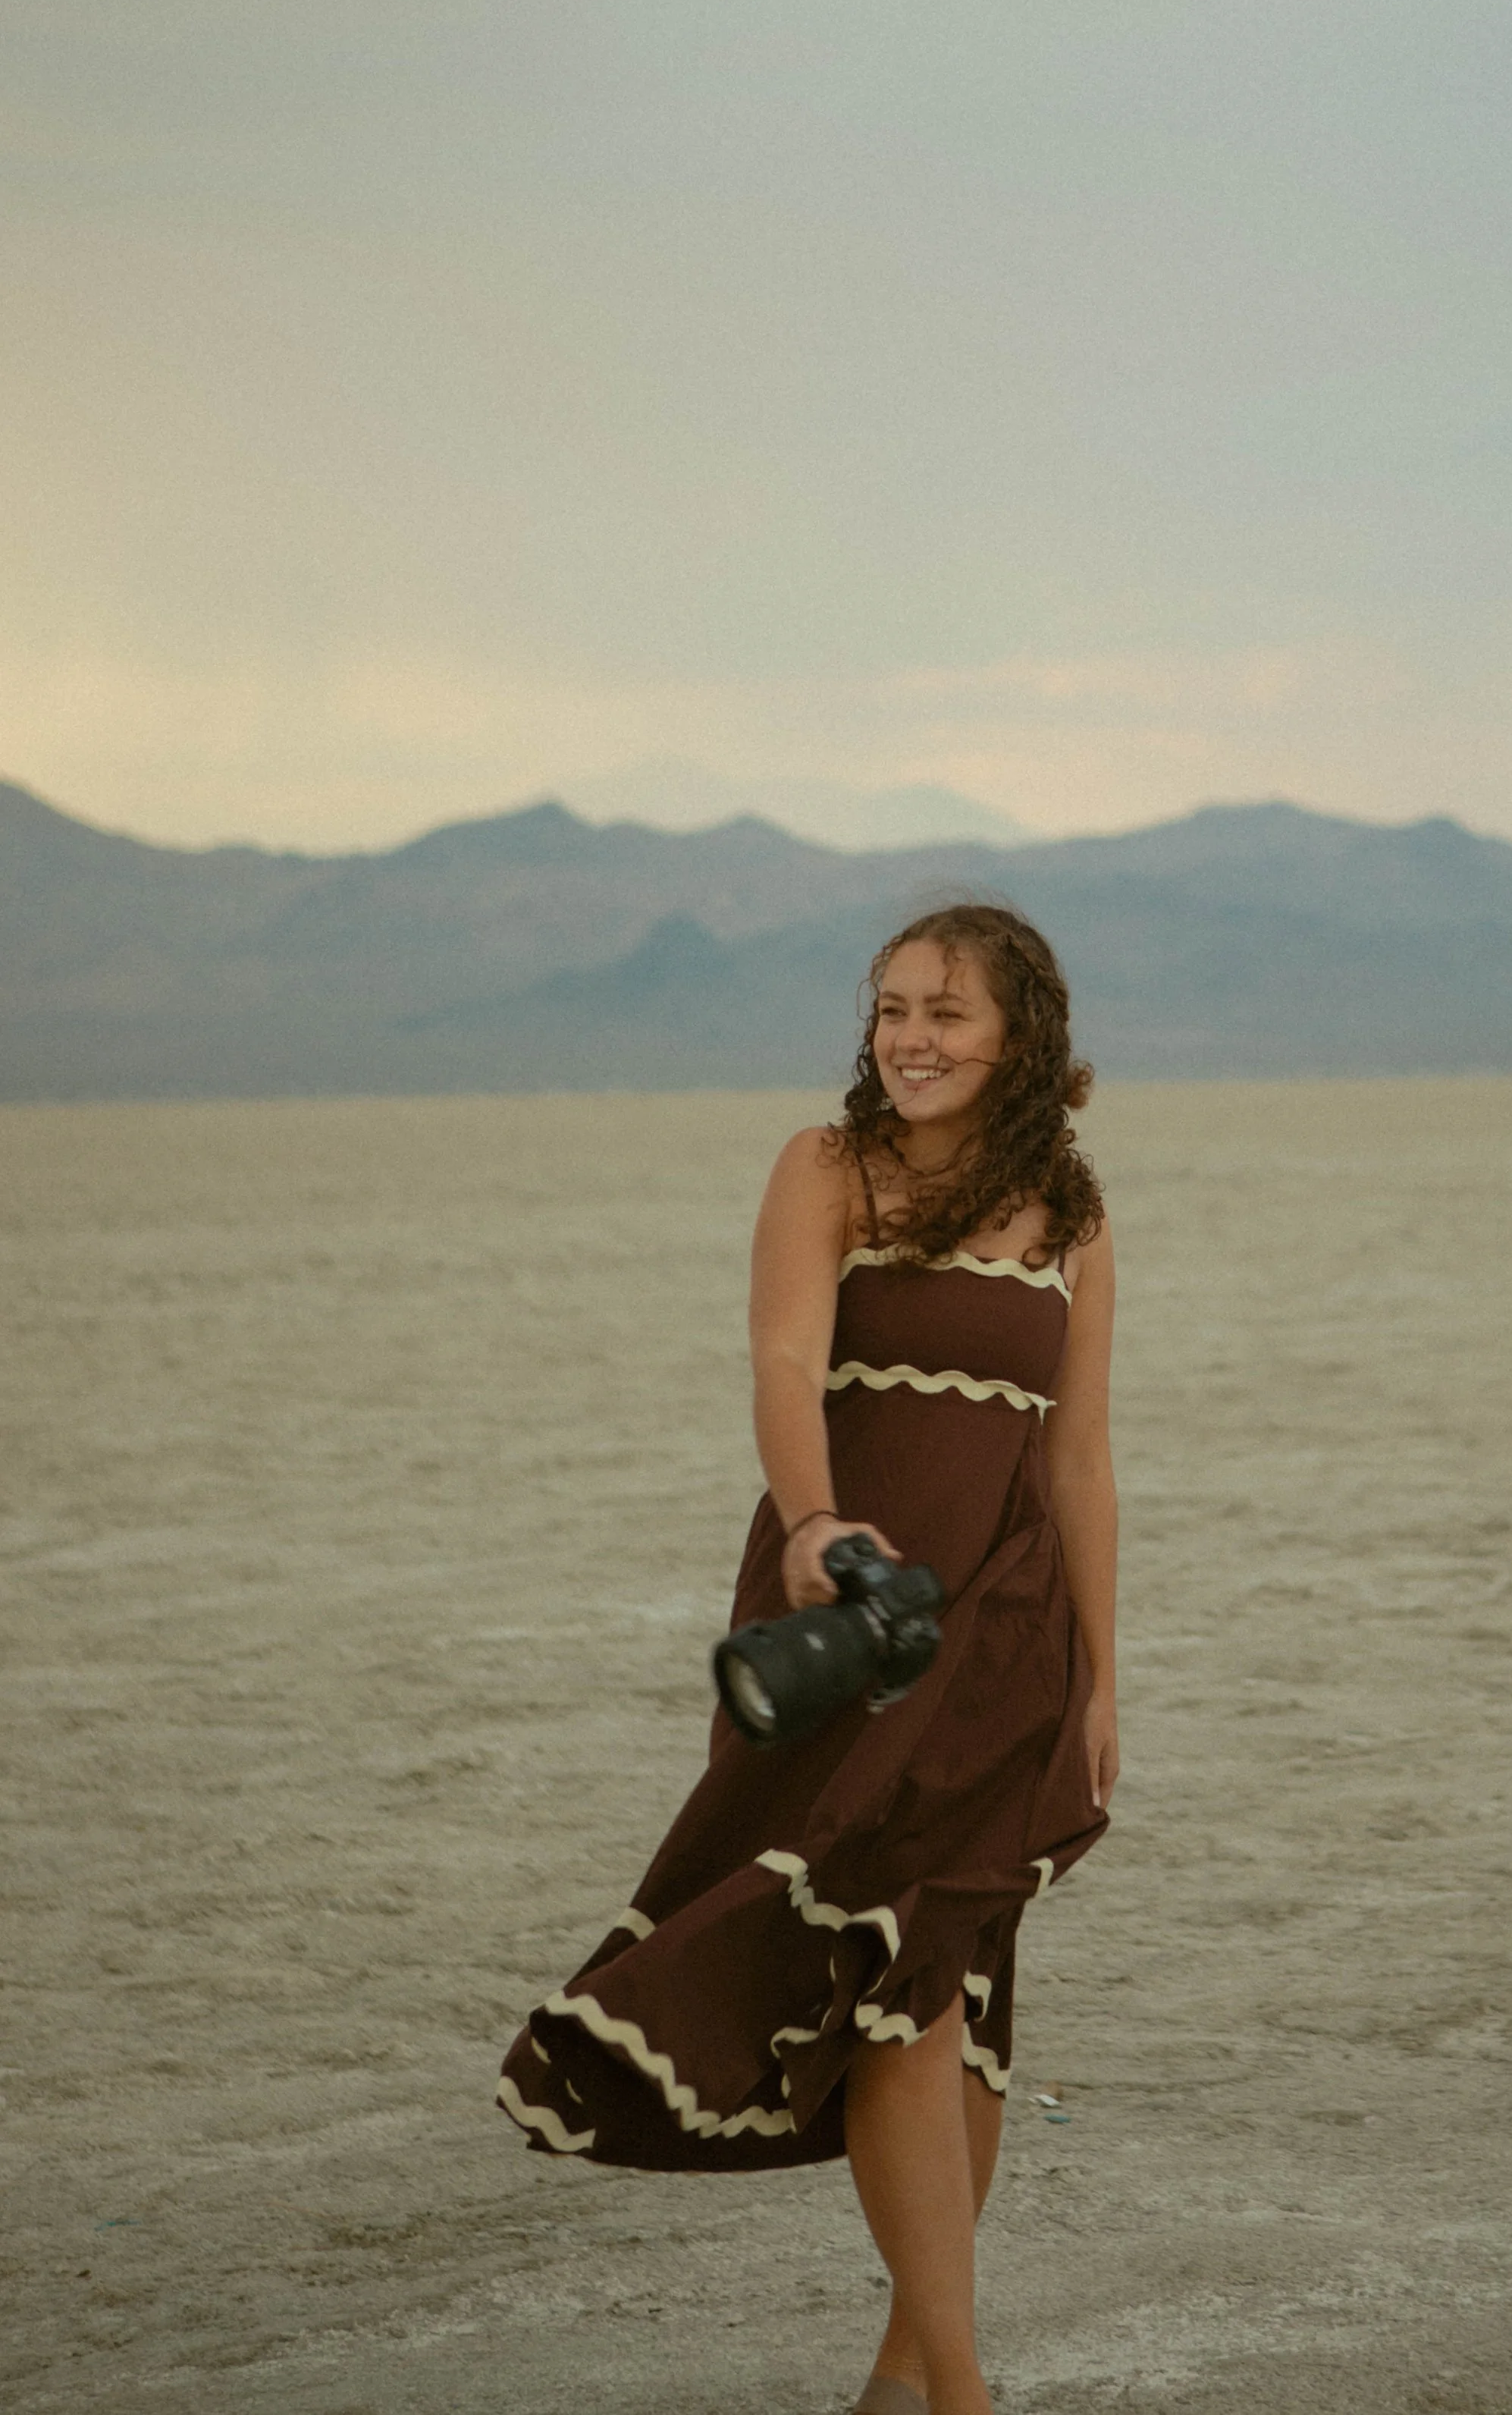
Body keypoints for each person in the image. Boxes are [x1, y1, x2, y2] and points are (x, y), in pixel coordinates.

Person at [497, 902, 1119, 2415]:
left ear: (1016, 1037)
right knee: (891, 1979)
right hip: (856, 1625)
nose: (908, 1036)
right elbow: (782, 1363)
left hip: (1007, 1639)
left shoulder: (1070, 1210)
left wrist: (1100, 1681)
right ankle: (962, 2395)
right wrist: (814, 1518)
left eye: (945, 1014)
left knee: (954, 1990)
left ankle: (903, 2388)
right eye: (891, 1007)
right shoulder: (825, 1168)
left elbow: (1083, 1459)